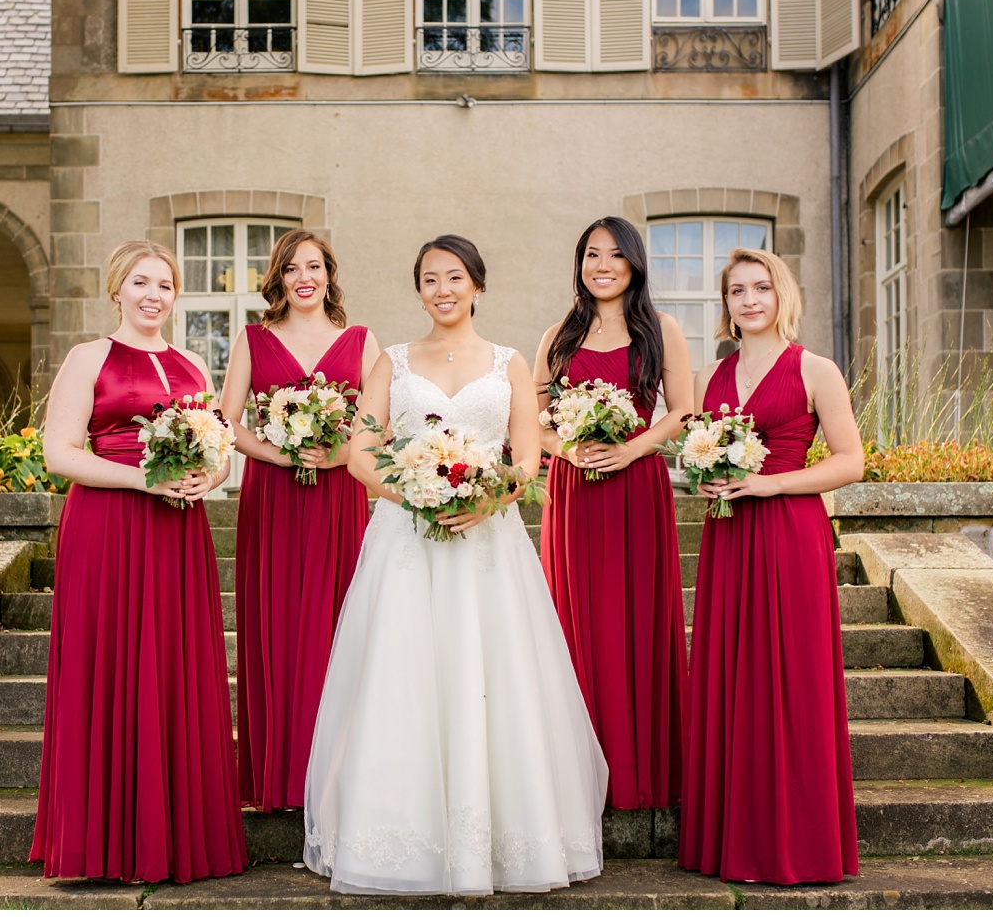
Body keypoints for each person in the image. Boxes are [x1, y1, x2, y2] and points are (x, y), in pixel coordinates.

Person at [303, 235, 608, 896]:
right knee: (402, 676)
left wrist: (489, 494)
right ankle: (395, 836)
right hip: (405, 539)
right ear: (419, 289)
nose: (442, 290)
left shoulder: (509, 364)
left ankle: (496, 841)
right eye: (429, 279)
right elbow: (361, 448)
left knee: (490, 675)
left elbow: (526, 457)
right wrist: (410, 489)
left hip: (487, 543)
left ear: (477, 284)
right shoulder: (391, 361)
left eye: (454, 277)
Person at [30, 240, 246, 883]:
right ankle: (102, 842)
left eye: (166, 285)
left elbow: (220, 448)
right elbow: (60, 453)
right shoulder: (88, 357)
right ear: (117, 289)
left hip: (177, 534)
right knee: (109, 662)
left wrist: (209, 476)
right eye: (142, 283)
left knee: (173, 667)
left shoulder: (191, 365)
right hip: (106, 527)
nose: (155, 295)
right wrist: (140, 482)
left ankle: (174, 835)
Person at [677, 247, 863, 885]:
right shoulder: (709, 377)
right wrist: (704, 478)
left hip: (789, 533)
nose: (750, 300)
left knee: (793, 675)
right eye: (736, 291)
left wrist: (772, 485)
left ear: (781, 294)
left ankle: (801, 845)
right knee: (731, 674)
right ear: (726, 304)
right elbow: (696, 455)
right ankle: (733, 841)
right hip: (729, 534)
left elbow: (850, 462)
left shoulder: (815, 368)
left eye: (761, 288)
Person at [217, 229, 380, 812]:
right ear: (279, 279)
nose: (304, 277)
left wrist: (339, 456)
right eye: (292, 268)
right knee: (279, 625)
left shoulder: (360, 341)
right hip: (274, 500)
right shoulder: (253, 340)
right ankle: (281, 778)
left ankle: (339, 777)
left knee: (341, 625)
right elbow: (227, 423)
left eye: (314, 266)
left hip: (338, 497)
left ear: (329, 275)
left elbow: (380, 427)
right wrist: (278, 454)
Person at [533, 216, 692, 810]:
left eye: (614, 255)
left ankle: (640, 770)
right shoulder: (558, 335)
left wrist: (630, 448)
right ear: (579, 264)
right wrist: (566, 447)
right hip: (575, 494)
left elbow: (682, 412)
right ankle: (577, 772)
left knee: (636, 620)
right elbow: (533, 420)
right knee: (578, 621)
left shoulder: (661, 330)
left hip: (638, 491)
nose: (602, 265)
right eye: (591, 254)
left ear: (634, 264)